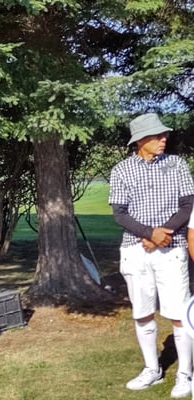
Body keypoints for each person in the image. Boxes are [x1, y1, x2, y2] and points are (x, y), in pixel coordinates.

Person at [109, 113, 194, 398]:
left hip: (171, 247)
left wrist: (161, 233)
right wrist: (148, 233)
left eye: (164, 135)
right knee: (142, 312)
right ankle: (152, 369)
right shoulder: (121, 170)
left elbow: (187, 205)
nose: (163, 139)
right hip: (135, 249)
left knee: (178, 313)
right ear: (140, 141)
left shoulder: (177, 164)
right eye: (157, 136)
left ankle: (185, 374)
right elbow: (119, 213)